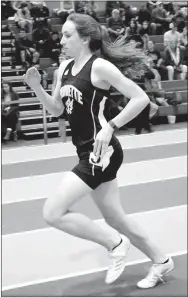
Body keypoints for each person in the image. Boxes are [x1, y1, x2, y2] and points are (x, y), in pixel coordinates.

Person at [24, 13, 174, 289]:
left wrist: (111, 127)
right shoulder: (64, 69)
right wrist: (36, 88)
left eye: (68, 35)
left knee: (52, 212)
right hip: (86, 151)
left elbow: (140, 98)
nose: (62, 39)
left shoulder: (99, 67)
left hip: (101, 152)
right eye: (63, 34)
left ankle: (115, 244)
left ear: (84, 38)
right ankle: (161, 261)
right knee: (115, 218)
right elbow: (57, 110)